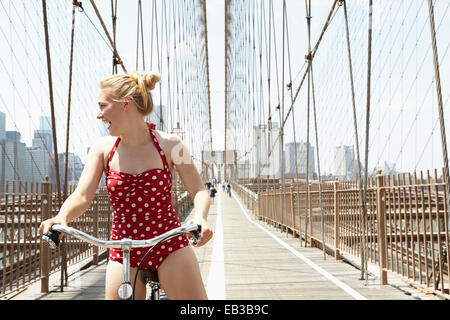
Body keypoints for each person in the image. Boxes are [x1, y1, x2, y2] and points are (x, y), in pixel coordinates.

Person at [39, 72, 213, 300]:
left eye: (103, 106)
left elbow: (198, 190)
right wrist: (62, 217)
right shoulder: (102, 149)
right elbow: (82, 196)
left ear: (125, 104)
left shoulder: (172, 145)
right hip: (123, 248)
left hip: (169, 243)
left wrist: (200, 217)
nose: (98, 114)